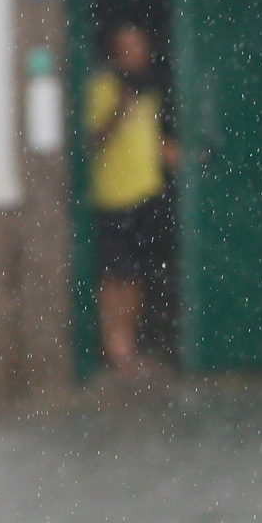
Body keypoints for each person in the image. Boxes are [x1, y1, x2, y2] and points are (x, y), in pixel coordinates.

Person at [84, 24, 177, 376]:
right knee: (113, 276)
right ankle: (114, 347)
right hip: (111, 195)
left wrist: (168, 152)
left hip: (144, 192)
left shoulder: (150, 92)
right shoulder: (100, 88)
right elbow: (90, 141)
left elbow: (150, 136)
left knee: (135, 275)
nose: (133, 55)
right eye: (126, 48)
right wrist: (117, 111)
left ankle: (128, 346)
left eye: (138, 47)